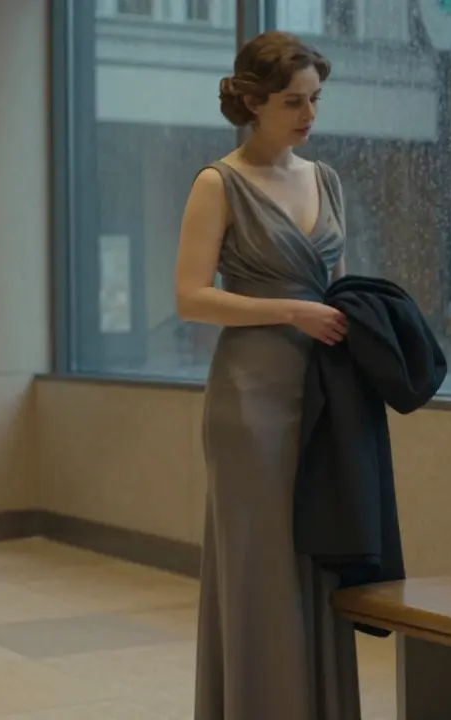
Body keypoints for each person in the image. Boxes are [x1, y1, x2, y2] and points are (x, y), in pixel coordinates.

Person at [173, 31, 359, 720]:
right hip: (250, 399)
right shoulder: (217, 183)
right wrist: (290, 310)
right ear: (253, 102)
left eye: (315, 99)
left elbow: (341, 291)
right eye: (293, 101)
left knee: (319, 554)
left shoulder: (326, 179)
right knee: (261, 567)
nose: (309, 115)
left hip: (323, 393)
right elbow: (190, 297)